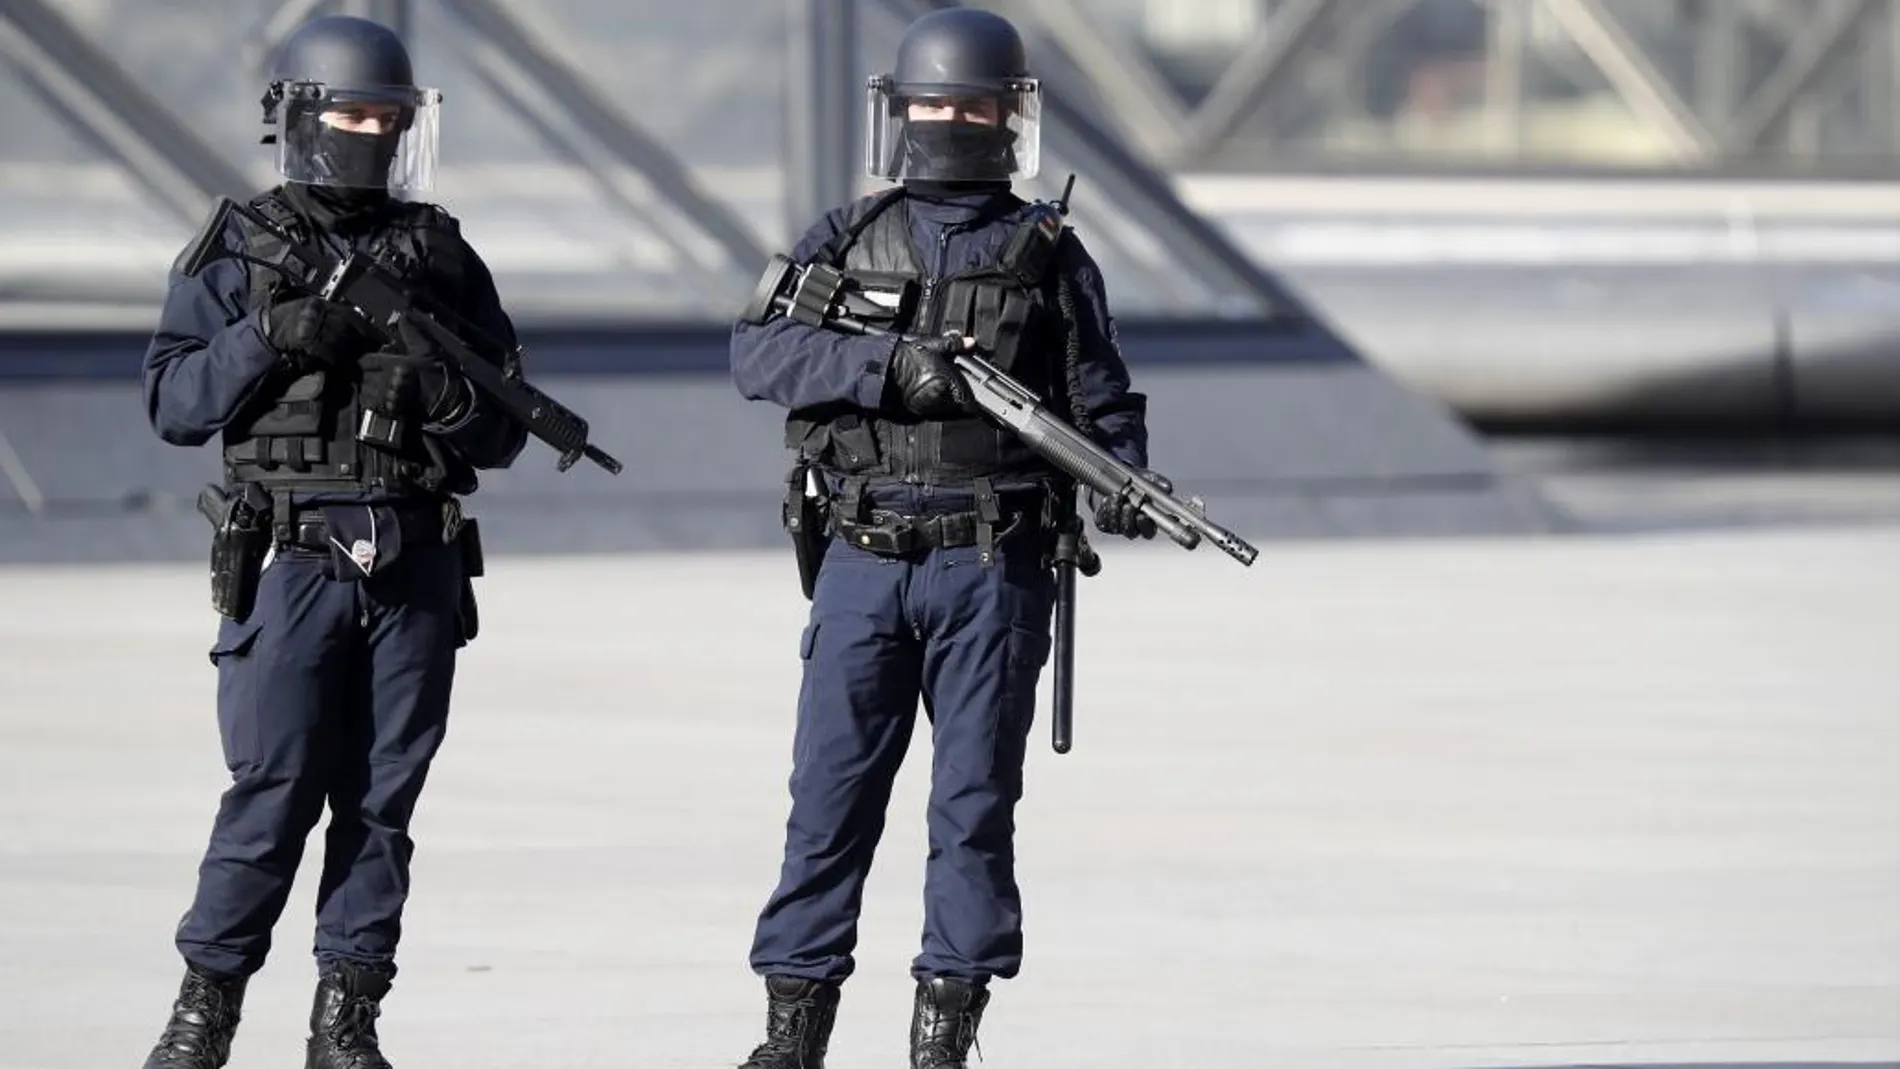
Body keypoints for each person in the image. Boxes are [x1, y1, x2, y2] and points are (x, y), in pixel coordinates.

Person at [728, 8, 1166, 1068]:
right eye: (937, 103)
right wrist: (887, 371)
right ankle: (791, 1038)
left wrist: (1121, 479)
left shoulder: (1049, 255)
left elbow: (1098, 402)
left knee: (971, 811)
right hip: (861, 559)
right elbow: (760, 356)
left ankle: (944, 1035)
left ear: (1009, 117)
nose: (953, 121)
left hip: (991, 563)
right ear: (902, 111)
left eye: (974, 104)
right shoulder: (843, 236)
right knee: (827, 803)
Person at [136, 14, 525, 1069]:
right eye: (351, 112)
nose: (369, 133)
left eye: (386, 118)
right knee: (271, 791)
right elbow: (171, 400)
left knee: (382, 805)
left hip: (415, 558)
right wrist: (267, 337)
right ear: (301, 118)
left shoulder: (440, 255)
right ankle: (201, 1015)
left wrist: (441, 396)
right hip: (291, 555)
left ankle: (346, 1022)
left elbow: (508, 422)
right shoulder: (241, 247)